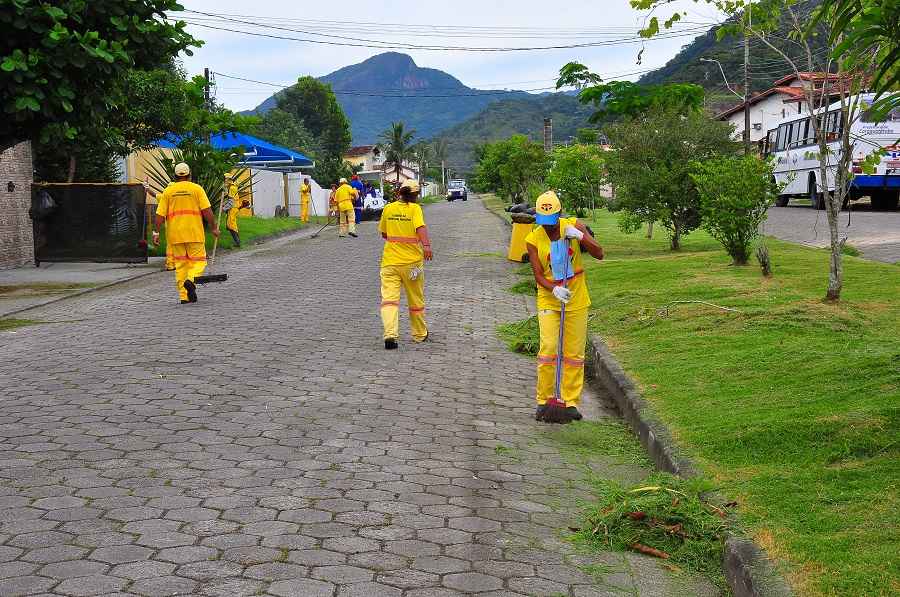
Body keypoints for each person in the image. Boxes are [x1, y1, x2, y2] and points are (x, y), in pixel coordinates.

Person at [525, 190, 604, 423]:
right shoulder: (533, 238)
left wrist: (580, 236)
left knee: (573, 354)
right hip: (550, 297)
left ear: (559, 213)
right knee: (549, 348)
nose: (549, 228)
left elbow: (599, 253)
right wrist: (553, 289)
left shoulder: (572, 225)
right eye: (543, 223)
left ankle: (570, 402)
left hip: (576, 298)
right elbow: (538, 275)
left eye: (552, 223)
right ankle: (544, 400)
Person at [152, 163, 219, 304]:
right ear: (189, 175)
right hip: (194, 233)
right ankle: (191, 279)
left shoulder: (168, 192)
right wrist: (213, 228)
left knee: (181, 265)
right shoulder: (196, 189)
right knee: (199, 262)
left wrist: (156, 232)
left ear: (175, 176)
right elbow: (207, 211)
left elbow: (159, 215)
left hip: (175, 235)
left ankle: (184, 297)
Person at [378, 179, 432, 350]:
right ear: (414, 195)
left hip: (389, 264)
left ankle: (390, 335)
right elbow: (420, 228)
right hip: (411, 264)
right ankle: (419, 334)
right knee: (415, 300)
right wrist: (427, 246)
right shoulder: (415, 209)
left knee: (389, 301)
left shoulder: (388, 208)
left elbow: (384, 234)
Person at [224, 176, 242, 247]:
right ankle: (237, 242)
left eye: (225, 180)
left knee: (231, 225)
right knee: (232, 224)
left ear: (228, 180)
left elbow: (231, 201)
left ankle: (237, 242)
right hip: (234, 208)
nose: (225, 182)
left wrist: (224, 208)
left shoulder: (232, 188)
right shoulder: (232, 187)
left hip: (233, 208)